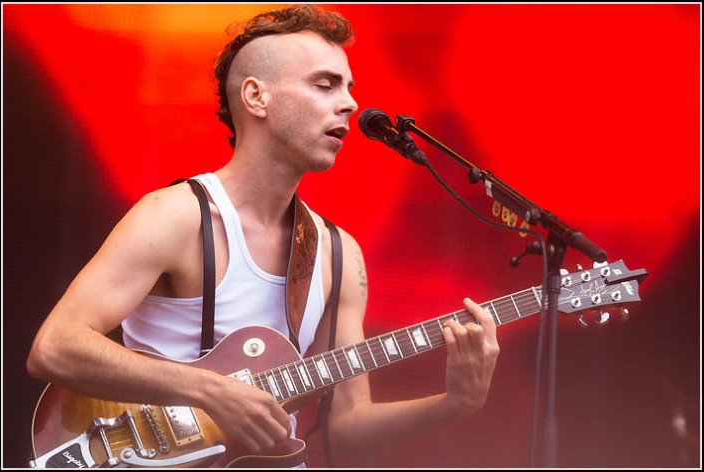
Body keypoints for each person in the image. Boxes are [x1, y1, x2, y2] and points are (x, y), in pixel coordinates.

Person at [27, 4, 499, 467]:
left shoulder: (340, 254)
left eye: (349, 87)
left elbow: (346, 425)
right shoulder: (176, 216)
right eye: (324, 84)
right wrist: (212, 390)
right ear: (256, 97)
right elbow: (54, 347)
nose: (351, 103)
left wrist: (453, 404)